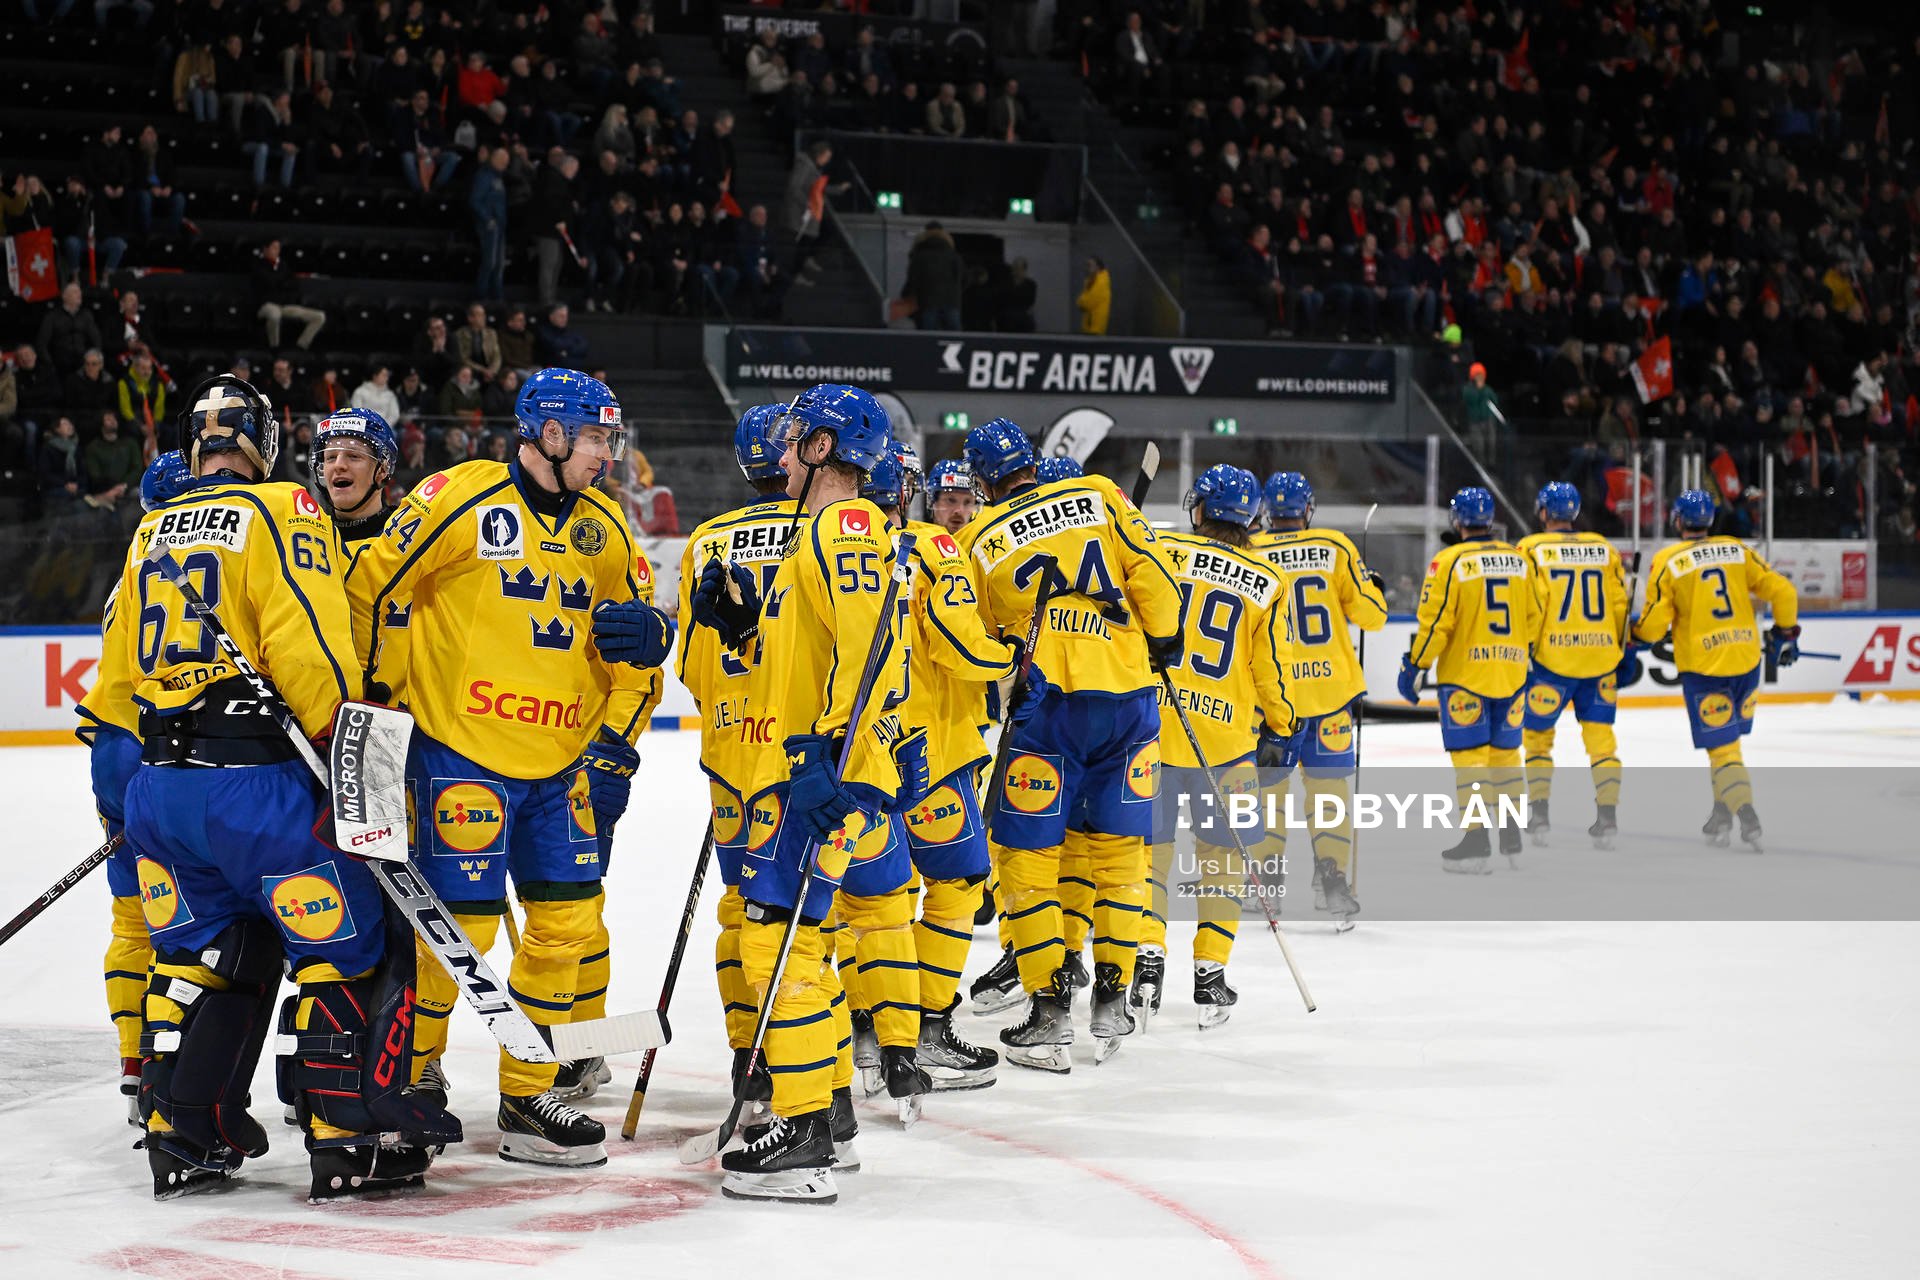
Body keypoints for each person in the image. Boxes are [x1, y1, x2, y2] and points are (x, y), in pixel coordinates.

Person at [102, 376, 460, 1200]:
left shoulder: (151, 528)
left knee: (204, 957)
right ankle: (346, 1140)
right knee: (348, 947)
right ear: (263, 442)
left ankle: (183, 1134)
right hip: (257, 789)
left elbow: (119, 673)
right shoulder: (280, 508)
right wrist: (346, 748)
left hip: (161, 788)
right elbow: (310, 643)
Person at [351, 370, 672, 1170]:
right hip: (458, 754)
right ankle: (412, 1076)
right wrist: (373, 713)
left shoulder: (606, 527)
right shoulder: (458, 496)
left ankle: (530, 1097)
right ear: (551, 435)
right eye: (596, 437)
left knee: (565, 929)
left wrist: (649, 643)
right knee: (457, 934)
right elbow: (367, 592)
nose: (607, 453)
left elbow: (635, 643)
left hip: (560, 766)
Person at [680, 385, 915, 1204]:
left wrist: (830, 761)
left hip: (823, 775)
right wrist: (743, 624)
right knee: (791, 942)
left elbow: (874, 645)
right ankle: (829, 1119)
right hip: (815, 768)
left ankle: (808, 1132)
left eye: (792, 443)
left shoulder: (844, 523)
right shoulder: (818, 535)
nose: (778, 457)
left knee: (781, 946)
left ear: (822, 449)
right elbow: (806, 653)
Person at [957, 418, 1182, 1069]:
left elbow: (981, 643)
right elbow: (1154, 578)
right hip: (1133, 700)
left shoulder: (975, 538)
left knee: (1025, 860)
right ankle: (1112, 999)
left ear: (981, 481)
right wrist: (1165, 638)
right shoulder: (1101, 494)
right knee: (1117, 854)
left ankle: (1051, 1013)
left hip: (1050, 706)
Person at [859, 444, 1017, 1090]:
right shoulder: (931, 548)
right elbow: (959, 644)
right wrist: (1002, 656)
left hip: (858, 753)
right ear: (909, 493)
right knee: (959, 882)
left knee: (869, 900)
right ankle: (925, 1028)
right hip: (932, 750)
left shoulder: (820, 543)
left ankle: (865, 1027)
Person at [1132, 465, 1298, 1028]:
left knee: (1149, 856)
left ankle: (1147, 960)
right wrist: (1281, 724)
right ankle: (1210, 974)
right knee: (1223, 862)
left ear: (1198, 508)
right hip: (1225, 744)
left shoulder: (1161, 547)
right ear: (1250, 518)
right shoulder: (1267, 579)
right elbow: (1269, 667)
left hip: (1150, 728)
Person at [672, 405, 800, 1131]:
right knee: (801, 919)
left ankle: (745, 1055)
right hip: (806, 753)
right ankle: (809, 1064)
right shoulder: (826, 531)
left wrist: (733, 713)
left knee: (740, 906)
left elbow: (690, 663)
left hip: (731, 752)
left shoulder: (707, 539)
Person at [77, 450, 197, 1126]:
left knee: (134, 917)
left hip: (113, 747)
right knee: (190, 918)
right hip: (165, 749)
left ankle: (137, 1061)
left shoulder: (136, 564)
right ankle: (170, 1068)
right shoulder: (207, 559)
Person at [1243, 471, 1386, 930]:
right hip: (1330, 695)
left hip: (1272, 698)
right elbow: (1373, 615)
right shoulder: (1335, 546)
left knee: (1269, 793)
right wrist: (1375, 587)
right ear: (1307, 510)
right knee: (1328, 793)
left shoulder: (1251, 550)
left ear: (1266, 511)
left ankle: (1265, 883)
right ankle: (1333, 880)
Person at [1631, 490, 1799, 850]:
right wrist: (1785, 633)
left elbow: (1653, 628)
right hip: (1747, 663)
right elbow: (1783, 592)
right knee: (1724, 743)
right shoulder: (1738, 550)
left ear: (1677, 520)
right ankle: (1721, 814)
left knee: (1723, 749)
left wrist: (1634, 632)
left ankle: (1746, 814)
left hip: (1706, 668)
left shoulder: (1669, 559)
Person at [1398, 487, 1535, 872]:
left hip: (1466, 677)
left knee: (1471, 761)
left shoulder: (1450, 562)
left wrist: (1415, 664)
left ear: (1457, 521)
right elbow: (1534, 617)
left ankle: (1476, 841)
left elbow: (1436, 623)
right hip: (1511, 674)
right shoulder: (1519, 560)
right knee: (1506, 756)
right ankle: (1511, 834)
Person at [1517, 483, 1633, 849]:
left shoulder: (1531, 549)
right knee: (1602, 741)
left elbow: (1531, 606)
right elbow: (1619, 606)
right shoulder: (1603, 548)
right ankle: (1608, 818)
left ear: (1543, 513)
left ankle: (1538, 817)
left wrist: (1525, 651)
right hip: (1600, 661)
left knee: (1537, 739)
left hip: (1551, 661)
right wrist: (1622, 649)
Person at [252, 240, 327, 350]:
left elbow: (294, 284)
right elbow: (269, 281)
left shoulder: (283, 265)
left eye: (278, 248)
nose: (277, 250)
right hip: (266, 305)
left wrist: (282, 283)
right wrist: (283, 282)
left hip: (286, 305)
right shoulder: (258, 266)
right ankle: (274, 347)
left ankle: (301, 346)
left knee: (319, 316)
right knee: (274, 315)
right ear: (265, 249)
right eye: (274, 247)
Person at [903, 222, 963, 331]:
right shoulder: (953, 256)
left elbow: (913, 280)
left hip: (927, 301)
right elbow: (962, 278)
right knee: (955, 336)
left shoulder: (919, 256)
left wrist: (907, 295)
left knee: (928, 336)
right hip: (951, 300)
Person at [924, 459, 977, 533]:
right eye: (951, 500)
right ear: (933, 503)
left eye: (967, 502)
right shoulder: (917, 542)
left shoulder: (981, 543)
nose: (959, 510)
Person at [1077, 257, 1111, 335]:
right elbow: (1083, 300)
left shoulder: (1101, 282)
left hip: (1096, 329)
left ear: (1098, 267)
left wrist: (1081, 303)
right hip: (1089, 327)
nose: (1087, 268)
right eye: (1086, 265)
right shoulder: (1090, 281)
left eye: (1089, 265)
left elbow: (1087, 303)